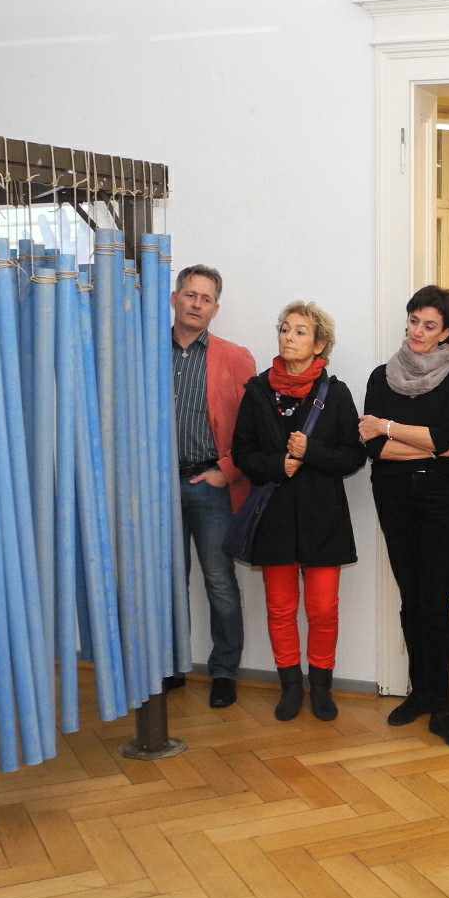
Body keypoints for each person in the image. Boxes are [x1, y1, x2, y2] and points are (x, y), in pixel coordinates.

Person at [232, 302, 365, 723]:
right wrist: (278, 465)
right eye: (285, 329)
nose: (288, 337)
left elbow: (354, 456)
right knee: (280, 608)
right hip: (273, 519)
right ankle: (290, 687)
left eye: (300, 331)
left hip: (323, 518)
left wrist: (312, 452)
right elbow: (242, 453)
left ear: (320, 345)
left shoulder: (336, 394)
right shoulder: (257, 391)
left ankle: (321, 687)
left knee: (323, 610)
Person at [360, 286, 449, 751]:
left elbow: (445, 435)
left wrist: (389, 428)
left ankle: (443, 706)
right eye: (413, 321)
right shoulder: (380, 376)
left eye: (430, 325)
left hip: (444, 498)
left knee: (436, 601)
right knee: (411, 597)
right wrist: (430, 447)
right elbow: (373, 447)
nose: (418, 332)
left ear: (446, 333)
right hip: (393, 496)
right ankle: (420, 692)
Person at [169, 264, 256, 708]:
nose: (196, 304)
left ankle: (224, 671)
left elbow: (252, 428)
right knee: (167, 581)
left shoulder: (235, 358)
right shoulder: (145, 351)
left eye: (206, 299)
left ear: (215, 309)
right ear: (175, 299)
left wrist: (228, 470)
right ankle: (171, 663)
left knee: (220, 582)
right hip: (159, 487)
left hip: (211, 485)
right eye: (190, 295)